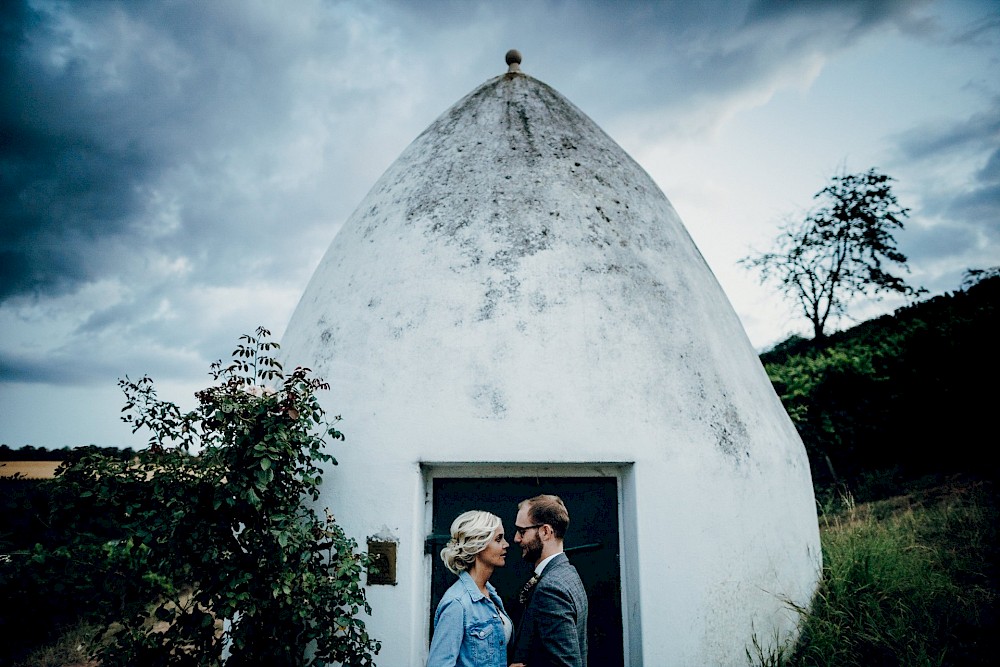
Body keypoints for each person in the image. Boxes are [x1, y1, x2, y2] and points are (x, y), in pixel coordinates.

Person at [427, 510, 513, 667]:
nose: (506, 544)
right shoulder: (457, 604)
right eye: (498, 539)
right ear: (478, 545)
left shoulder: (490, 594)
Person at [510, 494, 588, 667]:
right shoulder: (567, 572)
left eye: (522, 531)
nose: (516, 538)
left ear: (545, 532)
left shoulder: (551, 588)